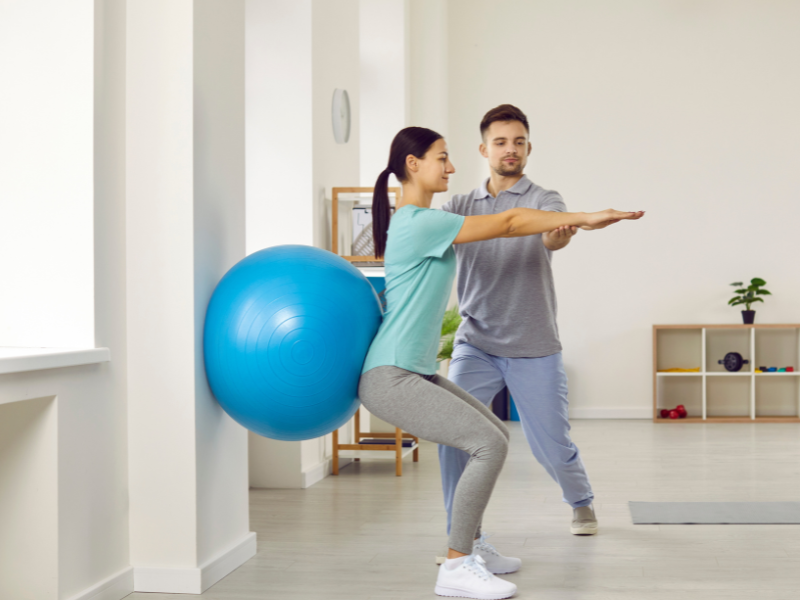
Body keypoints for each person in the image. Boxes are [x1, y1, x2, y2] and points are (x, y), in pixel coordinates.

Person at [357, 126, 643, 599]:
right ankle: (455, 565)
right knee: (487, 446)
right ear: (413, 165)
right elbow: (510, 223)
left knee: (495, 437)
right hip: (392, 375)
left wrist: (565, 231)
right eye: (441, 158)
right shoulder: (420, 220)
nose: (449, 168)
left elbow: (528, 226)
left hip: (417, 369)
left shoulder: (423, 219)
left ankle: (472, 543)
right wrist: (592, 216)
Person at [436, 104, 614, 567]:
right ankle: (463, 533)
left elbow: (553, 235)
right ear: (483, 149)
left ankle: (580, 501)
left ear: (528, 148)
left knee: (550, 444)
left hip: (533, 343)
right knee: (454, 435)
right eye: (501, 142)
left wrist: (560, 235)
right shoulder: (458, 205)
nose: (510, 149)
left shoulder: (546, 199)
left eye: (518, 142)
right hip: (475, 342)